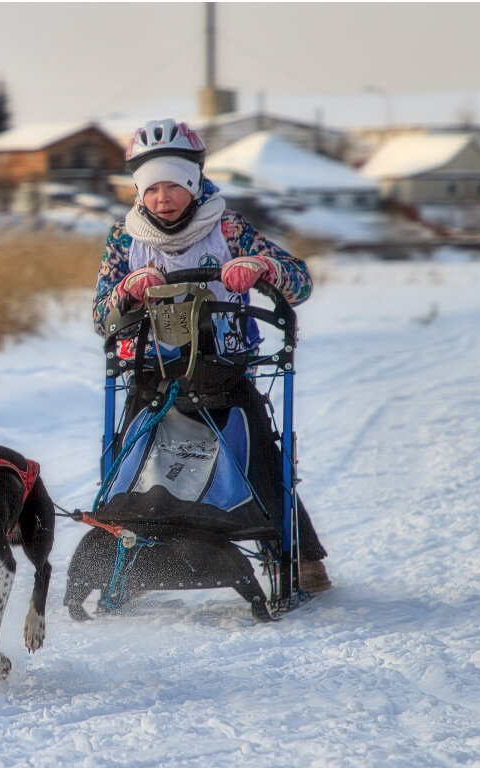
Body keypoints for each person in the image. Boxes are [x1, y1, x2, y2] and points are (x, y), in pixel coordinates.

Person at [93, 118, 331, 593]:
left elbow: (299, 279)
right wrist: (124, 291)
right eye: (152, 187)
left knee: (259, 456)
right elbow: (101, 314)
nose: (163, 198)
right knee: (135, 460)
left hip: (223, 372)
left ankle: (302, 557)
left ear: (194, 182)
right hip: (152, 375)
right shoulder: (125, 238)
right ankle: (132, 558)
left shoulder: (226, 227)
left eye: (174, 185)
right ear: (140, 190)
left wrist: (261, 267)